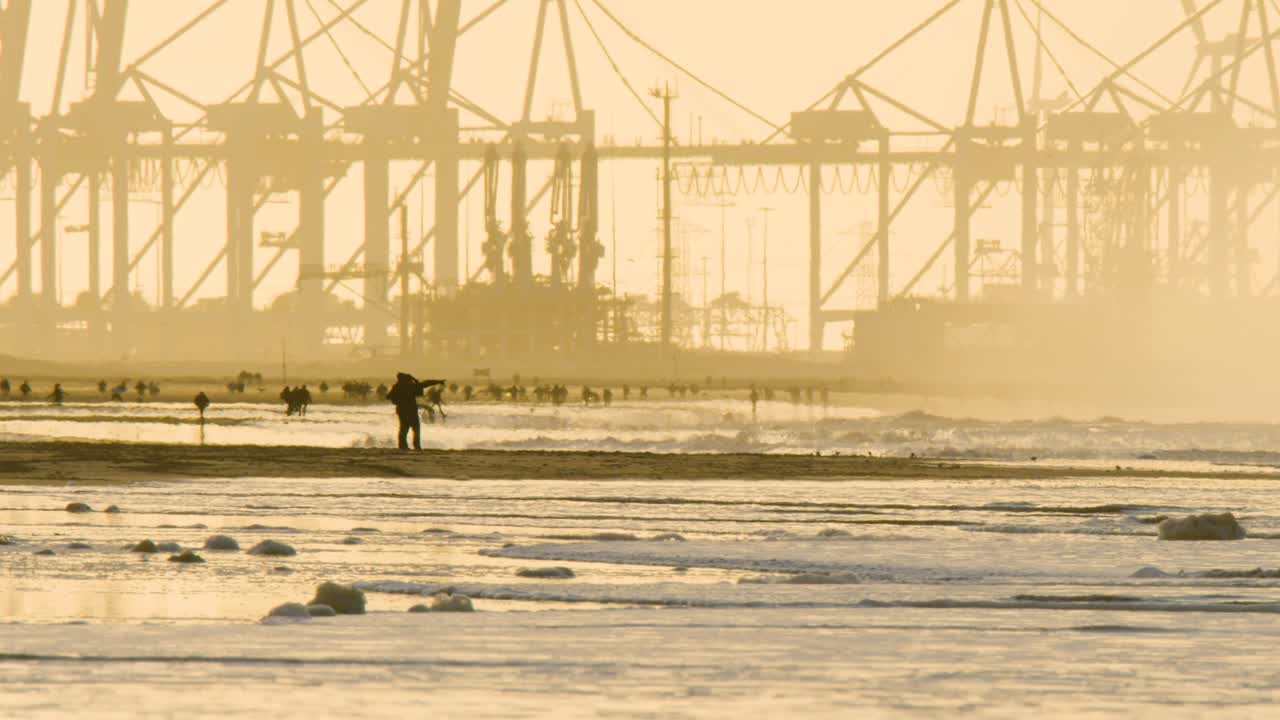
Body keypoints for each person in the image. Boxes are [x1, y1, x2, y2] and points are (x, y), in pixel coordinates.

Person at [386, 373, 445, 450]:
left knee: (404, 428)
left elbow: (388, 397)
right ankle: (416, 445)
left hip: (401, 409)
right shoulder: (411, 386)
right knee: (415, 428)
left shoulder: (397, 387)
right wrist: (438, 381)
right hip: (411, 409)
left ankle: (402, 446)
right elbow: (425, 383)